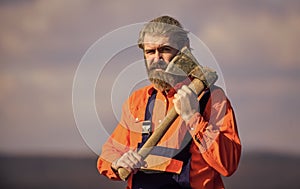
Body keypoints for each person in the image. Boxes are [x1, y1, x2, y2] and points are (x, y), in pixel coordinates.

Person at [97, 15, 241, 189]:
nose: (157, 58)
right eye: (150, 52)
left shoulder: (212, 98)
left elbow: (228, 164)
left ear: (183, 50)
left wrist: (193, 117)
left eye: (165, 49)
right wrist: (118, 162)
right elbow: (107, 156)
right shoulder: (138, 100)